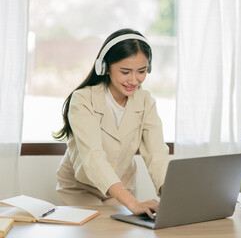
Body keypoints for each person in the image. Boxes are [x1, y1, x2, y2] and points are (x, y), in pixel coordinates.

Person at [53, 28, 169, 219]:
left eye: (141, 71)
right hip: (80, 189)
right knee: (96, 229)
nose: (134, 80)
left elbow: (156, 153)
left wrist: (171, 195)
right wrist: (132, 202)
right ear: (104, 67)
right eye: (125, 72)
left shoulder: (146, 101)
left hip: (123, 187)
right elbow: (93, 157)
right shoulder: (82, 100)